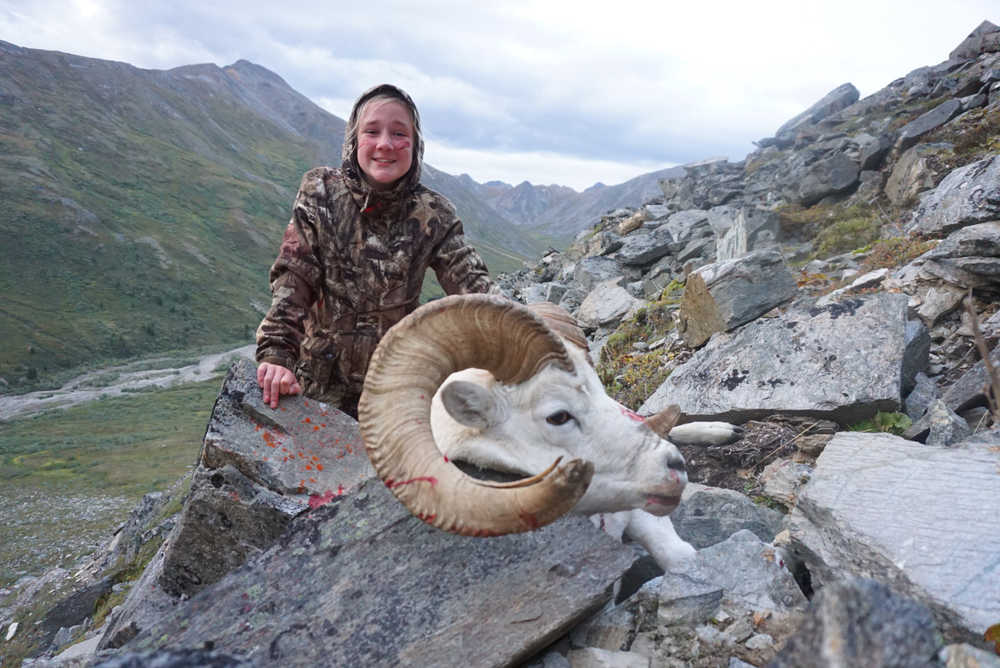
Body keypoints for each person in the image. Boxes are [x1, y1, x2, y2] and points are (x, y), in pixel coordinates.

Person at [255, 84, 493, 416]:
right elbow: (294, 276)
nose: (385, 144)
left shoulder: (434, 213)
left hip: (396, 390)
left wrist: (527, 331)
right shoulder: (320, 191)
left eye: (399, 133)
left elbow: (473, 283)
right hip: (317, 388)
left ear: (415, 145)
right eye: (372, 131)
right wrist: (277, 355)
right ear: (354, 140)